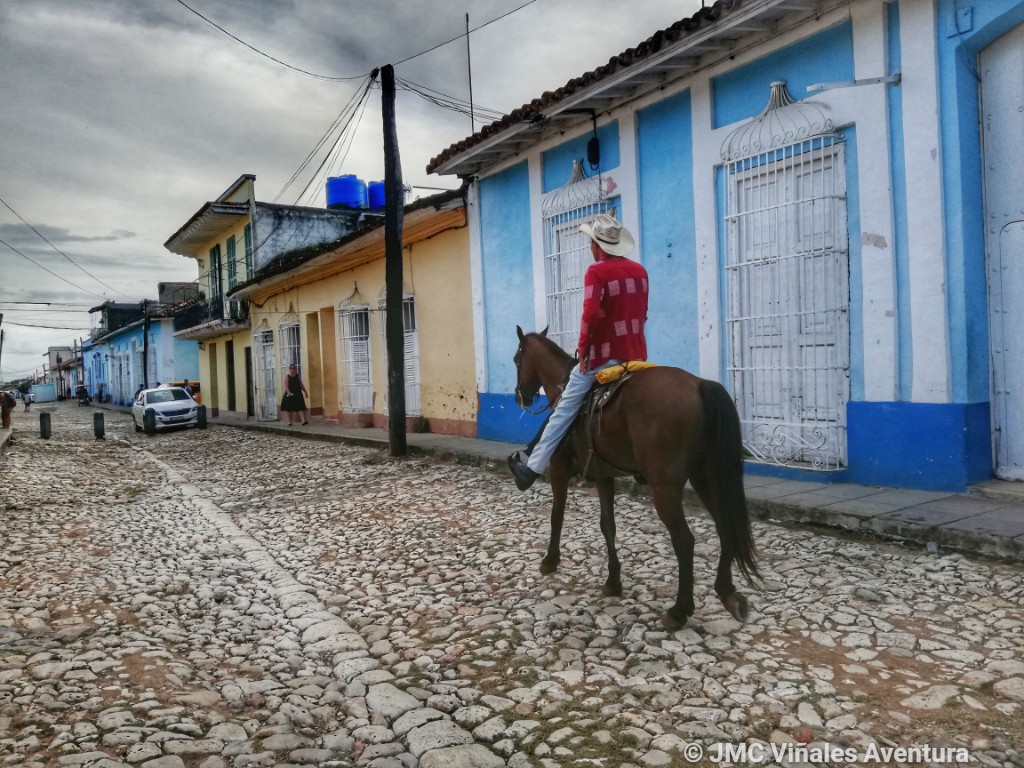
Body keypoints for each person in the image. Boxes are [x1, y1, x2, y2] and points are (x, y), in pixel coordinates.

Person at [508, 213, 649, 491]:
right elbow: (642, 315)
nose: (590, 247)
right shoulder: (640, 271)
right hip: (634, 357)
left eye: (591, 242)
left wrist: (584, 353)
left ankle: (532, 468)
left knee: (563, 409)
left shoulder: (597, 271)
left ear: (597, 245)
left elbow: (591, 314)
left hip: (603, 358)